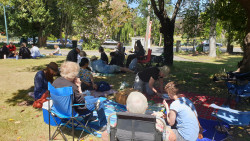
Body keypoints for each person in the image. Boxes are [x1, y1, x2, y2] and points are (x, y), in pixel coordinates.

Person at [52, 61, 107, 129]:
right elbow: (81, 103)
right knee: (100, 102)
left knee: (90, 97)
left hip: (60, 108)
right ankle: (103, 125)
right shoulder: (72, 86)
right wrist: (79, 86)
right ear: (73, 74)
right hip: (73, 111)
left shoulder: (56, 81)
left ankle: (88, 118)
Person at [101, 91, 176, 141]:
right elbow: (172, 137)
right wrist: (158, 120)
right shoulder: (157, 125)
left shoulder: (118, 124)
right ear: (146, 107)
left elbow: (104, 136)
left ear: (127, 108)